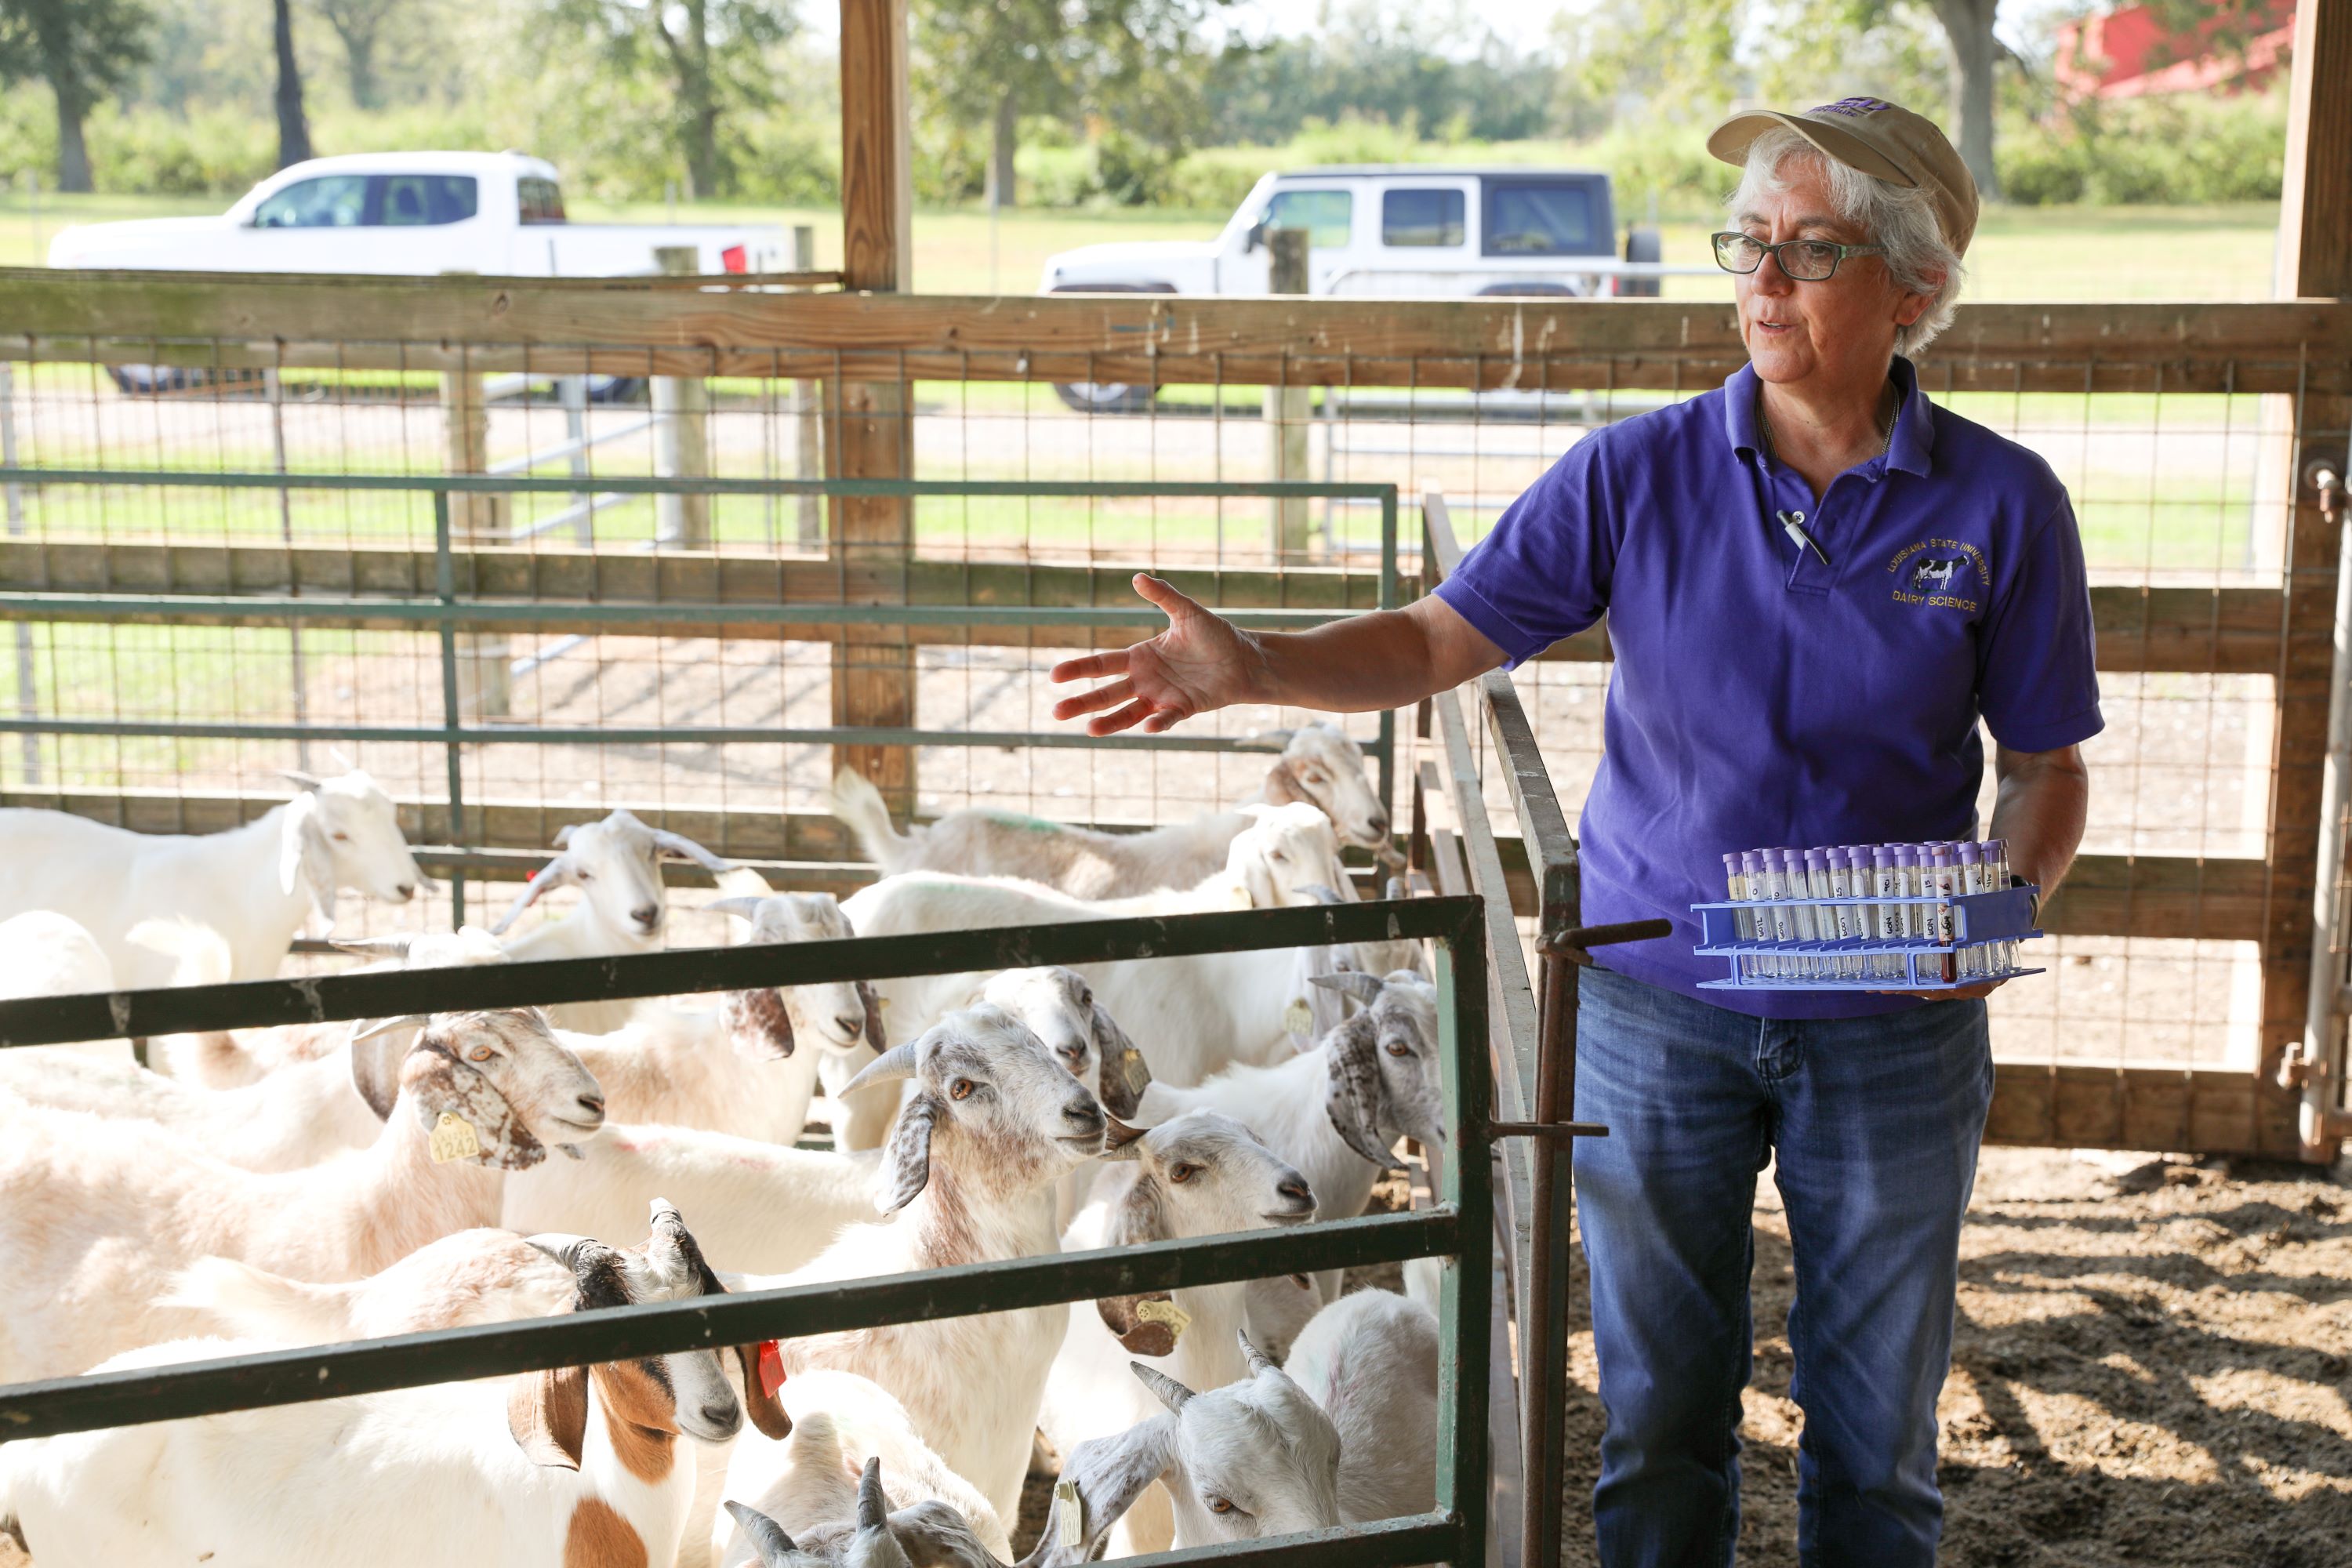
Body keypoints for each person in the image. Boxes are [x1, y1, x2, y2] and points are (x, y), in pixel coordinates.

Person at [1051, 97, 2098, 1566]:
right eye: (1749, 243)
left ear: (1915, 288)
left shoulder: (2003, 504)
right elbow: (1436, 639)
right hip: (1662, 1008)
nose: (1763, 280)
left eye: (1810, 250)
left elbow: (2047, 767)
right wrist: (1263, 666)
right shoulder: (1639, 471)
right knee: (1660, 1418)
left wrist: (1999, 904)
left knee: (1879, 1434)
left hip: (1893, 1022)